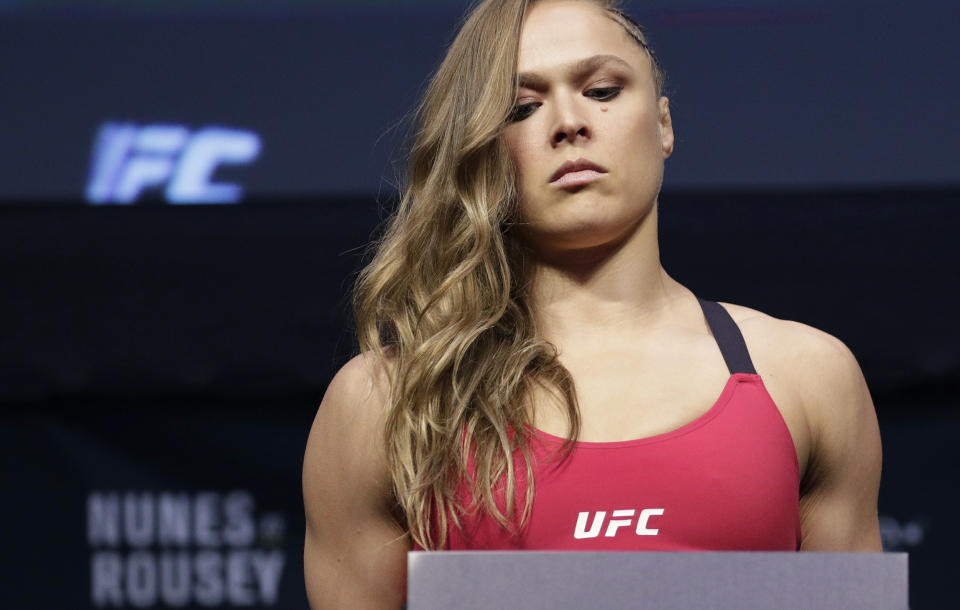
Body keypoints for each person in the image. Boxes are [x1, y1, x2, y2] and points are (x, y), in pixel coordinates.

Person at [302, 0, 883, 607]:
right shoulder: (387, 401)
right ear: (483, 150)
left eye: (602, 90)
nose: (569, 122)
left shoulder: (807, 376)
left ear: (663, 124)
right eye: (522, 107)